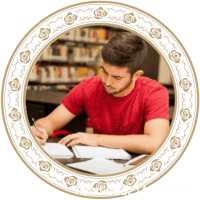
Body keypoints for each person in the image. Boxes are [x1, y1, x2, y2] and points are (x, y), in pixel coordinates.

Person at [31, 31, 169, 154]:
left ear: (136, 75)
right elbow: (50, 122)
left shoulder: (154, 92)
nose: (108, 82)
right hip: (97, 161)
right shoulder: (88, 87)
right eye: (104, 71)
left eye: (117, 77)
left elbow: (154, 143)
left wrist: (97, 139)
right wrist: (41, 130)